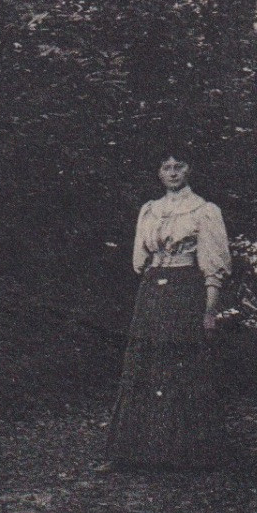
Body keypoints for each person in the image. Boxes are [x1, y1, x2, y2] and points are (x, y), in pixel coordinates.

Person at [105, 151, 232, 470]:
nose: (173, 172)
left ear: (191, 169)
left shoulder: (205, 211)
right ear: (159, 173)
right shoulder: (149, 210)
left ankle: (183, 456)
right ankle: (132, 453)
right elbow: (139, 262)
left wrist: (209, 310)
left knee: (181, 364)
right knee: (143, 364)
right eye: (166, 167)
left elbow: (213, 266)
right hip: (151, 292)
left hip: (184, 290)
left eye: (180, 166)